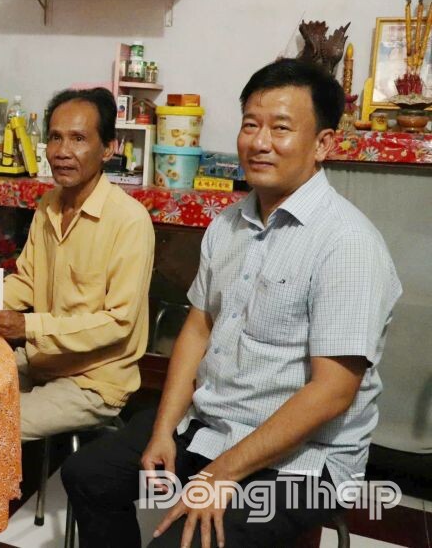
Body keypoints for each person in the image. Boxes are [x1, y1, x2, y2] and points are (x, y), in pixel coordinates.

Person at [61, 59, 402, 548]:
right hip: (213, 423)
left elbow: (332, 392)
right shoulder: (228, 224)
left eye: (281, 128)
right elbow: (198, 328)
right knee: (88, 474)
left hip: (305, 461)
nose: (260, 142)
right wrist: (164, 429)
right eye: (250, 125)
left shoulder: (347, 244)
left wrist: (221, 474)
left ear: (323, 144)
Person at [0, 88, 155, 440]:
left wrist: (26, 327)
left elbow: (118, 324)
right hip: (43, 360)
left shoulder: (129, 220)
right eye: (55, 137)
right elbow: (27, 281)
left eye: (78, 139)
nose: (62, 152)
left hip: (93, 380)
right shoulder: (49, 204)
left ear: (108, 148)